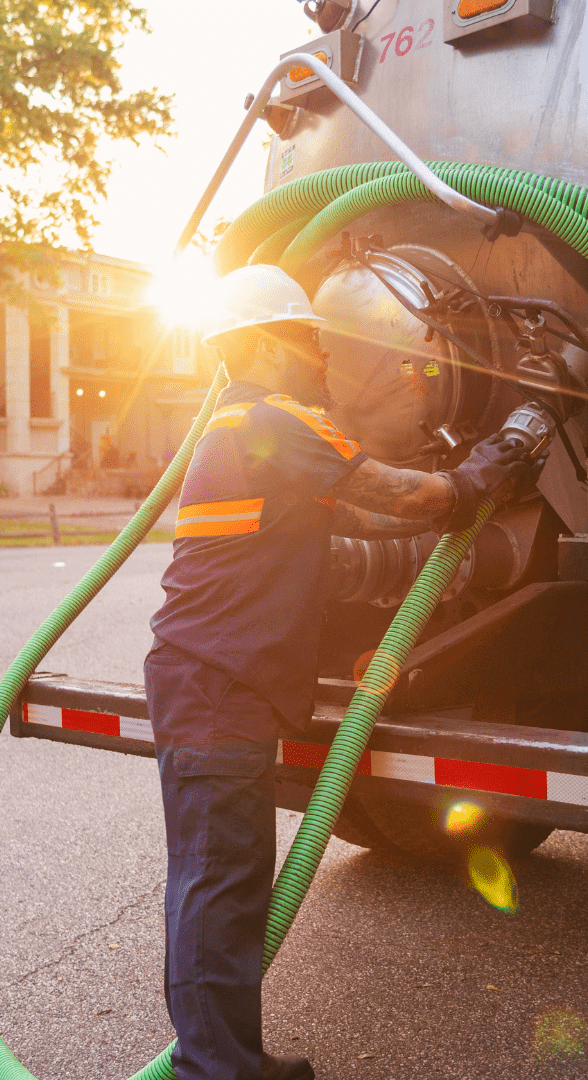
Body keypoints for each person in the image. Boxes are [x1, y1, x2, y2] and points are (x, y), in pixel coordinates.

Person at [145, 265, 537, 1080]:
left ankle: (229, 1058)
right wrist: (491, 463)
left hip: (208, 681)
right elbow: (410, 498)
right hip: (218, 685)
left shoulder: (239, 428)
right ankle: (212, 1071)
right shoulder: (277, 423)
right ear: (257, 345)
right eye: (304, 340)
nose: (322, 357)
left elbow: (363, 513)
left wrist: (453, 498)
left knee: (220, 884)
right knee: (216, 888)